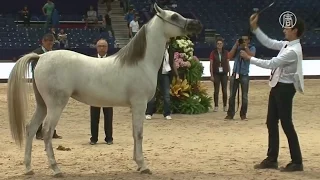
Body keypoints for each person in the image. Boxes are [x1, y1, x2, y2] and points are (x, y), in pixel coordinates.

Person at [240, 13, 305, 172]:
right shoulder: (287, 45)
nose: (284, 29)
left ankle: (297, 161)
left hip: (285, 88)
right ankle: (272, 158)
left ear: (295, 30)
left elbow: (271, 63)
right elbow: (269, 42)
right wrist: (256, 29)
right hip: (278, 86)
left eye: (287, 27)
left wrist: (250, 59)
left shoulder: (293, 50)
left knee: (286, 124)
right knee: (271, 122)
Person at [32, 33, 62, 140]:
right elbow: (34, 69)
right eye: (48, 41)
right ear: (43, 42)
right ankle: (39, 132)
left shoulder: (53, 54)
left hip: (53, 84)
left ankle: (51, 131)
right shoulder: (36, 53)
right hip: (41, 84)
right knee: (42, 108)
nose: (50, 43)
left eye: (51, 41)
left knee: (53, 108)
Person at [225, 32, 256, 120]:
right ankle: (230, 114)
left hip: (244, 74)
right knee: (231, 95)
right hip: (235, 73)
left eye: (246, 40)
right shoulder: (237, 48)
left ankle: (243, 114)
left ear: (249, 41)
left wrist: (245, 47)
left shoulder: (252, 48)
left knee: (244, 96)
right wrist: (235, 45)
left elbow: (252, 56)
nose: (244, 41)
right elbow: (229, 56)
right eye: (243, 40)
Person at [145, 40, 179, 120]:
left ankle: (167, 113)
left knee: (166, 95)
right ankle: (149, 112)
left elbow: (172, 62)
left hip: (166, 74)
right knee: (152, 94)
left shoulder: (170, 49)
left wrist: (176, 75)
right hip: (156, 73)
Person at [89, 39, 113, 145]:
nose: (102, 48)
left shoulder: (112, 60)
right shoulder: (90, 60)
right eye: (100, 46)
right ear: (96, 47)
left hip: (108, 92)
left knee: (108, 116)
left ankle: (109, 138)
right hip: (94, 92)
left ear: (107, 48)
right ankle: (94, 138)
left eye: (104, 46)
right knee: (94, 116)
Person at [209, 37, 230, 112]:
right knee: (216, 90)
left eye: (220, 43)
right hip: (216, 73)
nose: (219, 45)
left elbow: (228, 63)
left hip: (224, 73)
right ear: (216, 44)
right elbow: (211, 64)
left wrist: (229, 74)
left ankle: (225, 105)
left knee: (224, 90)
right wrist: (211, 75)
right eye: (218, 44)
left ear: (223, 44)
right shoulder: (213, 53)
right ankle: (216, 106)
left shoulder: (226, 52)